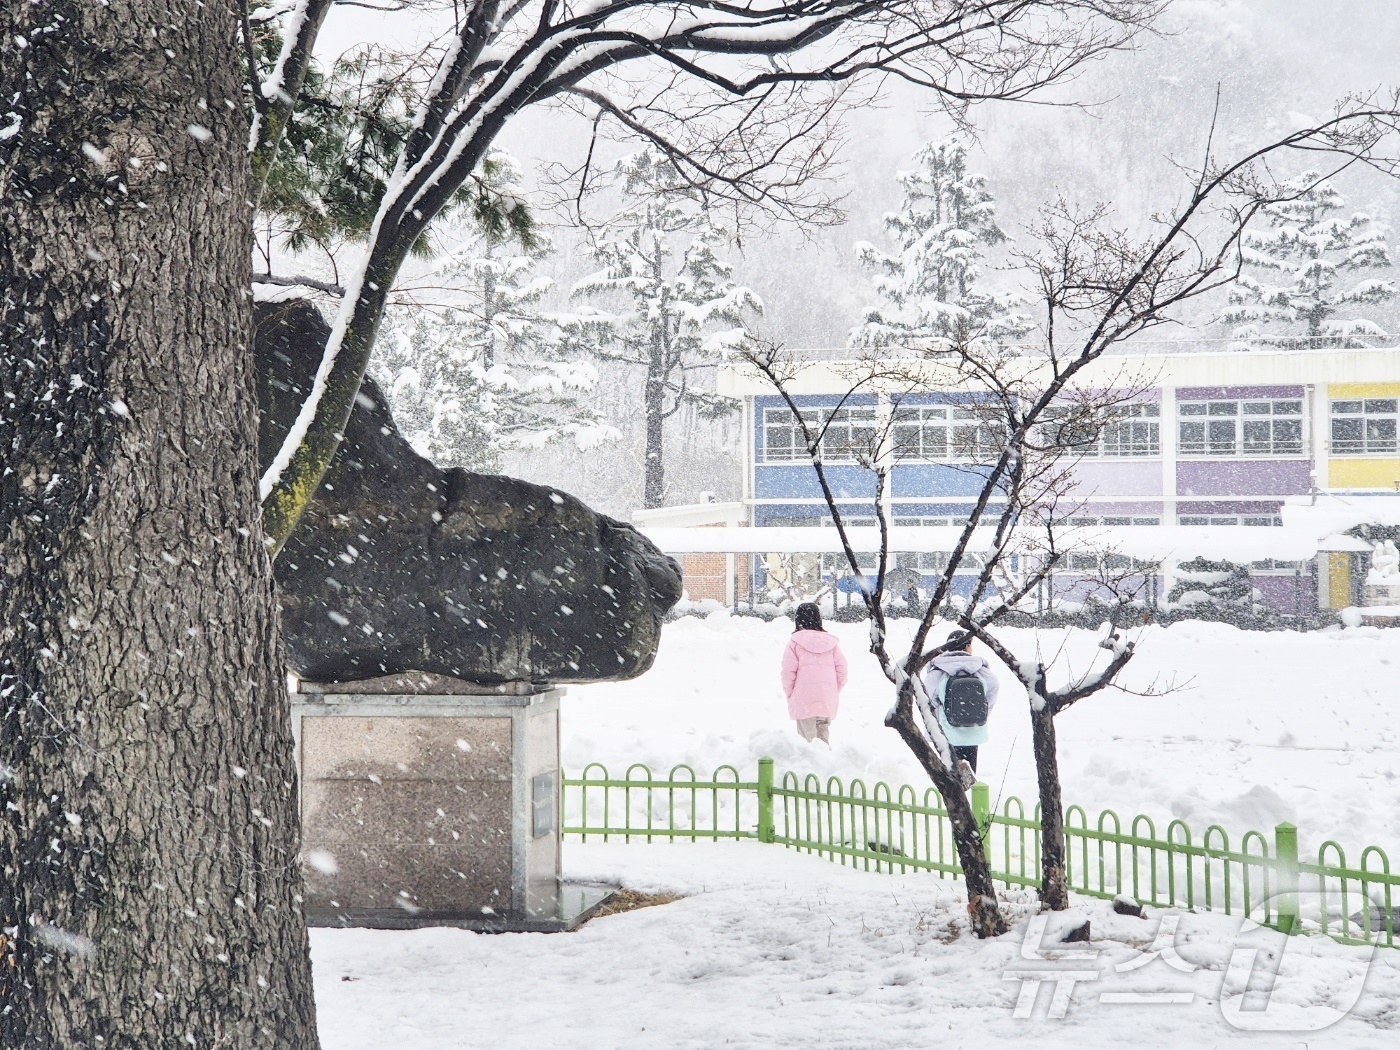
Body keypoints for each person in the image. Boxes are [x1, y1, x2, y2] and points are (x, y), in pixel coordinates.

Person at [922, 630, 999, 789]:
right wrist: (983, 712)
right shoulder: (978, 668)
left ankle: (955, 799)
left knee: (948, 773)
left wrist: (941, 714)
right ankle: (969, 798)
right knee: (969, 771)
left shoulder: (939, 670)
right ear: (968, 645)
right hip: (973, 730)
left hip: (947, 730)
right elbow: (994, 686)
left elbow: (928, 697)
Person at [780, 603, 848, 745]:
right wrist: (833, 690)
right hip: (826, 698)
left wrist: (791, 694)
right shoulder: (831, 644)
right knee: (823, 741)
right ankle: (825, 765)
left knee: (806, 743)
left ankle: (809, 766)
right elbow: (842, 671)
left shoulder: (794, 643)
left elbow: (787, 673)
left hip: (804, 698)